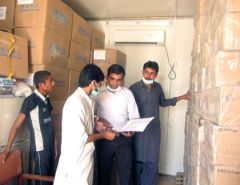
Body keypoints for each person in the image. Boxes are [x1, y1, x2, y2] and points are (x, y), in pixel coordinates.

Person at [53, 64, 116, 185]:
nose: (100, 87)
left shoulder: (89, 100)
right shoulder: (75, 103)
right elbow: (82, 138)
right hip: (75, 160)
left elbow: (87, 120)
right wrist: (104, 135)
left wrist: (95, 124)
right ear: (93, 83)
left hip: (86, 157)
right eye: (100, 84)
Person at [129, 61, 189, 185]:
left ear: (156, 75)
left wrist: (180, 97)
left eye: (152, 73)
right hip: (137, 130)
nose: (148, 76)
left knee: (152, 158)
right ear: (142, 71)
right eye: (146, 72)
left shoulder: (158, 87)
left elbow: (163, 102)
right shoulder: (133, 88)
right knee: (137, 158)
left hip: (153, 130)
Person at [0, 70, 57, 185]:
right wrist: (7, 149)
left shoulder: (46, 99)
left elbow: (50, 122)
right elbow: (16, 125)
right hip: (40, 149)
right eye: (50, 81)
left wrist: (55, 142)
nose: (53, 83)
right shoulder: (31, 100)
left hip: (50, 147)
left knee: (51, 179)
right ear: (41, 85)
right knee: (42, 181)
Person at [95, 64, 140, 185]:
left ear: (123, 79)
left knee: (126, 174)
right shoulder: (97, 93)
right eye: (112, 79)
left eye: (119, 80)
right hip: (104, 139)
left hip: (123, 140)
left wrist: (132, 130)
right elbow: (90, 114)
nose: (115, 83)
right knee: (103, 173)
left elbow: (135, 117)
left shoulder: (128, 94)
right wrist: (98, 123)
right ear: (106, 77)